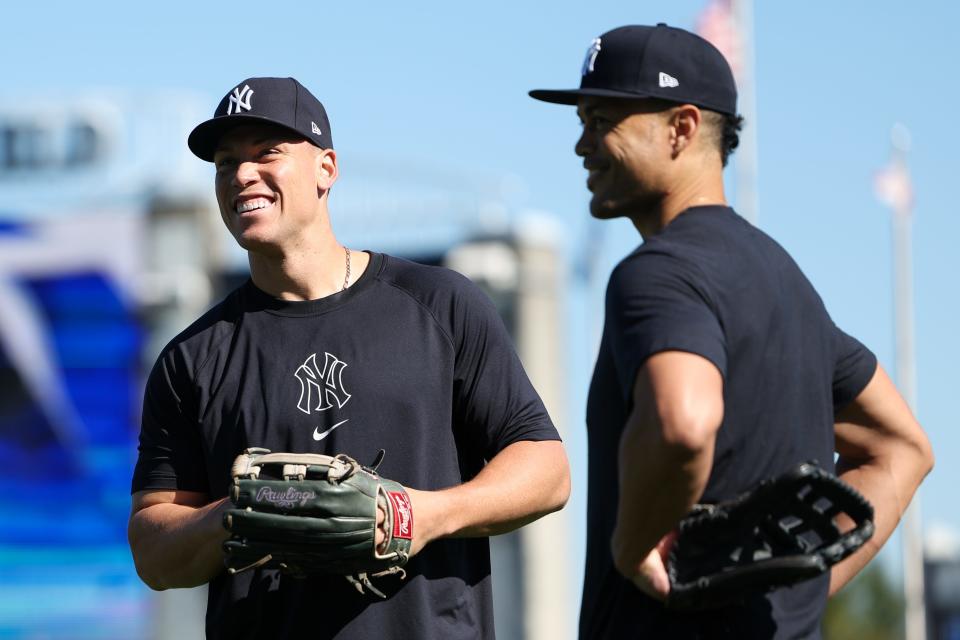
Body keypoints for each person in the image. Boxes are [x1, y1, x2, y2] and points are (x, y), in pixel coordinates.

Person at [128, 76, 570, 640]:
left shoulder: (440, 304)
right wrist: (237, 514)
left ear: (326, 169)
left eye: (268, 153)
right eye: (224, 163)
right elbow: (152, 549)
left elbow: (546, 470)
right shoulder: (192, 358)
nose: (242, 175)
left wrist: (415, 516)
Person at [530, 24, 933, 639]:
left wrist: (633, 548)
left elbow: (683, 422)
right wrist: (803, 585)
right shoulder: (787, 281)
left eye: (602, 119)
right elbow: (903, 448)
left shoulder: (658, 274)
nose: (582, 145)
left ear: (683, 128)